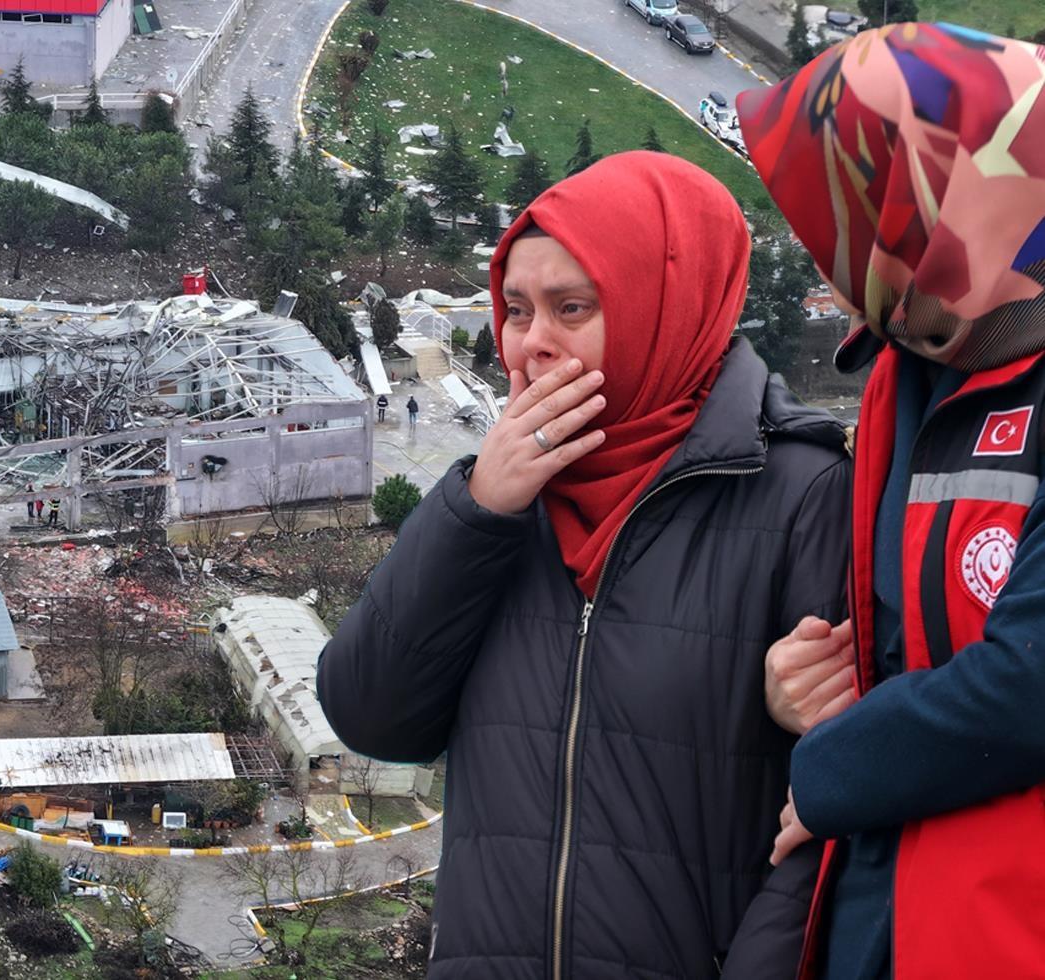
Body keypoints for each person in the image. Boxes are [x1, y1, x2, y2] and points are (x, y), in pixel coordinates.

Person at [317, 151, 852, 978]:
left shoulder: (800, 494)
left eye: (573, 307)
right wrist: (475, 512)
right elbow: (371, 716)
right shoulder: (501, 500)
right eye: (517, 309)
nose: (532, 345)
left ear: (663, 306)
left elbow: (832, 828)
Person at [737, 24, 1045, 979]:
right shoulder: (914, 367)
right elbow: (904, 635)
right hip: (893, 916)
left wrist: (833, 770)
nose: (835, 264)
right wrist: (809, 682)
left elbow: (1026, 684)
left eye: (863, 217)